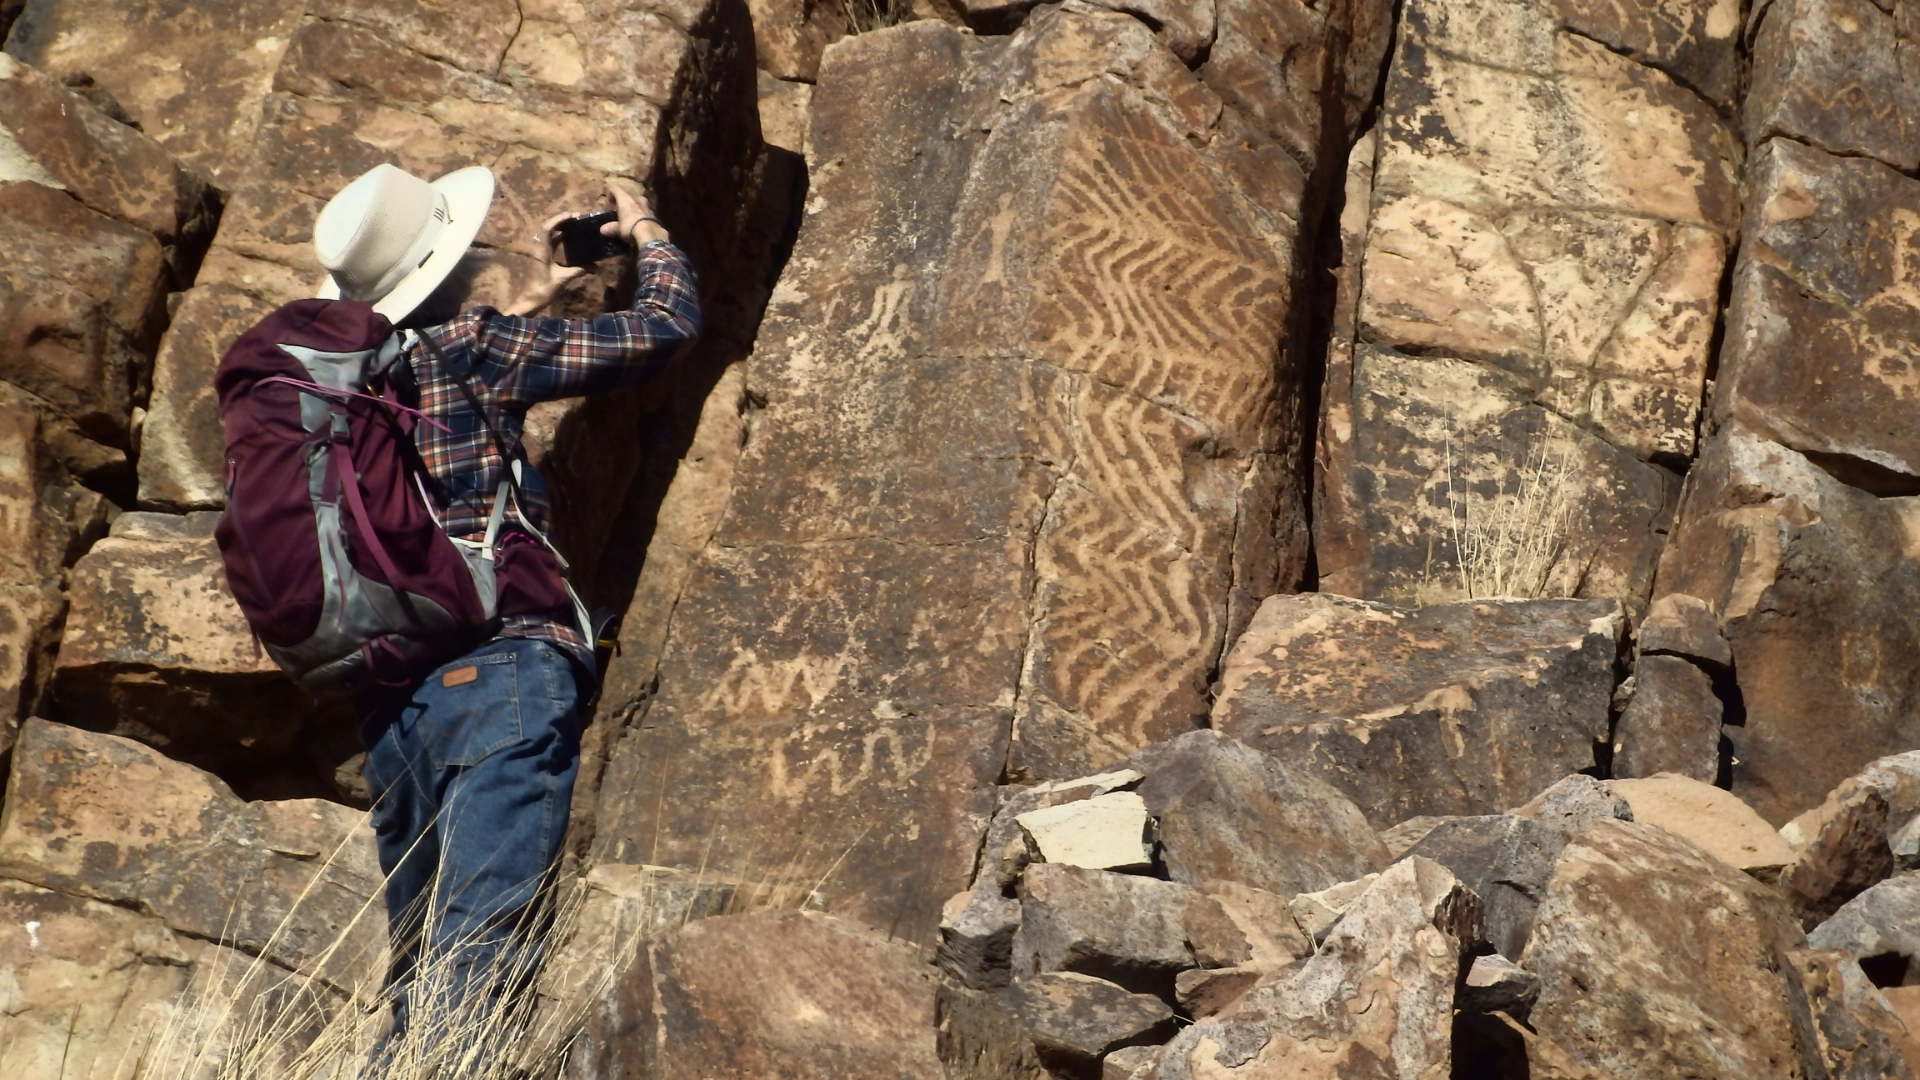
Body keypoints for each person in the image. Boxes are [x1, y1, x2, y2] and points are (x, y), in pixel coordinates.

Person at [307, 162, 701, 1056]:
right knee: (481, 958)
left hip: (396, 713)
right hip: (503, 670)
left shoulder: (339, 387)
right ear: (445, 260)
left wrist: (541, 298)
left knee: (420, 978)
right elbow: (668, 324)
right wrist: (647, 230)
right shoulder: (474, 350)